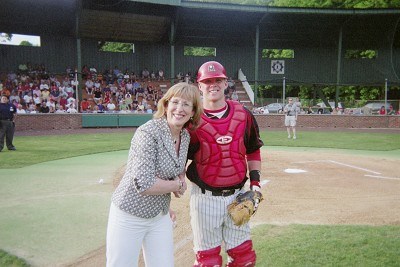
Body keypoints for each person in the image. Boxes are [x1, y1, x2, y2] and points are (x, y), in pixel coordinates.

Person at [106, 82, 202, 267]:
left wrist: (180, 178)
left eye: (186, 104)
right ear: (165, 105)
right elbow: (144, 183)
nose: (179, 109)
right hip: (129, 213)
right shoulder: (148, 132)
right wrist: (177, 186)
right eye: (175, 102)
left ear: (193, 112)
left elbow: (177, 166)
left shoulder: (186, 137)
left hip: (159, 216)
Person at [187, 61, 264, 267]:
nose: (213, 85)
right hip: (205, 198)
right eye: (208, 81)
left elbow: (253, 149)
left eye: (218, 80)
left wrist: (255, 184)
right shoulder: (191, 119)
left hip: (238, 196)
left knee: (244, 258)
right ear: (199, 85)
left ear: (225, 82)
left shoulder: (244, 115)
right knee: (208, 261)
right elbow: (180, 156)